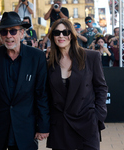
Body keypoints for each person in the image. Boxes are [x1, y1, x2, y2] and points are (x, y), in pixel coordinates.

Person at [0, 11, 50, 150]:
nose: (9, 36)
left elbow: (41, 94)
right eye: (4, 32)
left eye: (13, 31)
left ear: (22, 33)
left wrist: (43, 126)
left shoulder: (37, 57)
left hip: (26, 130)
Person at [46, 18, 108, 150]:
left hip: (86, 122)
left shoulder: (91, 57)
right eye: (57, 33)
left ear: (72, 35)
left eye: (65, 32)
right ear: (53, 37)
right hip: (61, 125)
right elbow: (46, 95)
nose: (61, 36)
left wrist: (98, 116)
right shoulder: (49, 63)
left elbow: (101, 88)